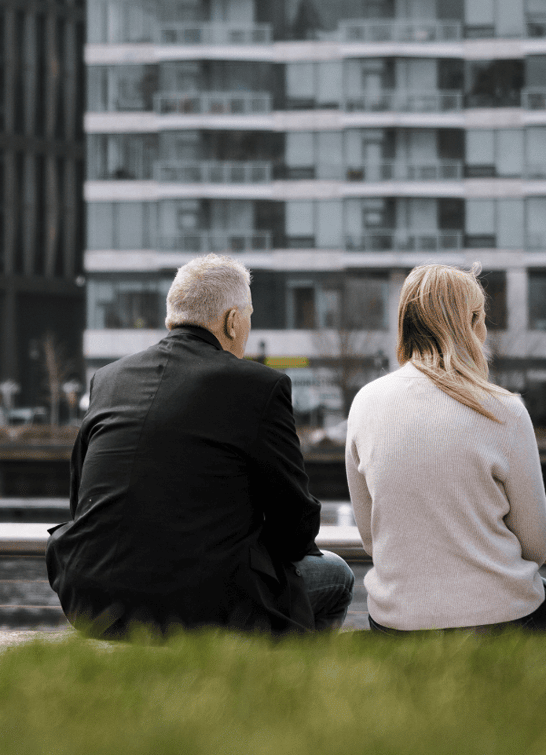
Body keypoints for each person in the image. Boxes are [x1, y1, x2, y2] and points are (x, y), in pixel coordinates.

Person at [46, 254, 353, 637]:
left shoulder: (108, 379)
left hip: (92, 598)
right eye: (249, 315)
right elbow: (296, 525)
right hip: (202, 606)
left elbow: (81, 501)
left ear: (170, 318)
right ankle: (284, 690)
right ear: (232, 321)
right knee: (337, 576)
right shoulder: (258, 386)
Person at [346, 264, 546, 635]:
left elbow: (371, 536)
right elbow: (536, 544)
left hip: (396, 621)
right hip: (501, 619)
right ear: (471, 323)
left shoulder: (365, 403)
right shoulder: (504, 409)